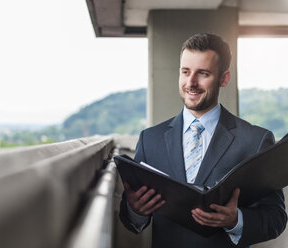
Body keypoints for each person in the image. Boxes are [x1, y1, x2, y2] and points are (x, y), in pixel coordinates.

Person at [119, 33, 287, 248]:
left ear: (224, 79)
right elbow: (131, 220)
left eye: (203, 73)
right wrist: (135, 210)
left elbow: (275, 219)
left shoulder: (256, 140)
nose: (191, 82)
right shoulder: (150, 139)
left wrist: (235, 220)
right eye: (185, 72)